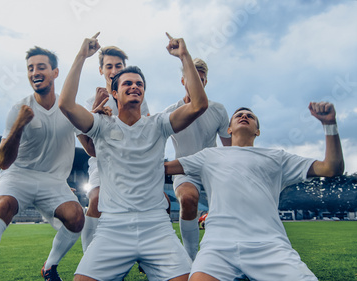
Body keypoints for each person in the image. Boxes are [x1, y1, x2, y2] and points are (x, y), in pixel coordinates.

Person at [59, 32, 208, 281]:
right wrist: (81, 56)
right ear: (114, 94)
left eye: (139, 83)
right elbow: (65, 104)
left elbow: (198, 105)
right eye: (127, 83)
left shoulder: (158, 124)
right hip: (113, 228)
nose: (134, 86)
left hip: (156, 227)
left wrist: (184, 55)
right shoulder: (101, 124)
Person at [165, 103, 344, 280]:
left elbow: (331, 168)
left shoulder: (276, 157)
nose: (244, 116)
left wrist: (330, 125)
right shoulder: (209, 156)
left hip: (270, 247)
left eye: (250, 117)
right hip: (218, 247)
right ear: (228, 129)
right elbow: (164, 168)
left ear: (257, 132)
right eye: (239, 115)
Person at [0, 46, 84, 281]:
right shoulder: (18, 109)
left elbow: (90, 145)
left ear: (55, 72)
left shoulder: (68, 107)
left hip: (53, 181)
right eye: (30, 68)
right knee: (3, 207)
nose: (34, 72)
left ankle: (49, 266)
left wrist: (99, 118)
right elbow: (2, 162)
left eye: (41, 67)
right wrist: (19, 125)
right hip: (18, 175)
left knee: (76, 217)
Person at [77, 46, 151, 253]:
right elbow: (90, 148)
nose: (113, 70)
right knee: (97, 199)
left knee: (159, 203)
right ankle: (88, 257)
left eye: (118, 65)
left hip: (131, 161)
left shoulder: (137, 98)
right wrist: (95, 113)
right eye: (108, 66)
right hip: (103, 162)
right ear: (101, 70)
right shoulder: (92, 101)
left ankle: (146, 253)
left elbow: (145, 132)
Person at [163, 57, 231, 261]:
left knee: (229, 203)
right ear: (184, 81)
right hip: (184, 171)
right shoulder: (169, 113)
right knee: (188, 199)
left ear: (205, 82)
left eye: (201, 80)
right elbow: (153, 142)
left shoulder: (218, 110)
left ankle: (225, 253)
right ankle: (191, 258)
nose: (197, 84)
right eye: (192, 80)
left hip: (213, 169)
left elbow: (230, 149)